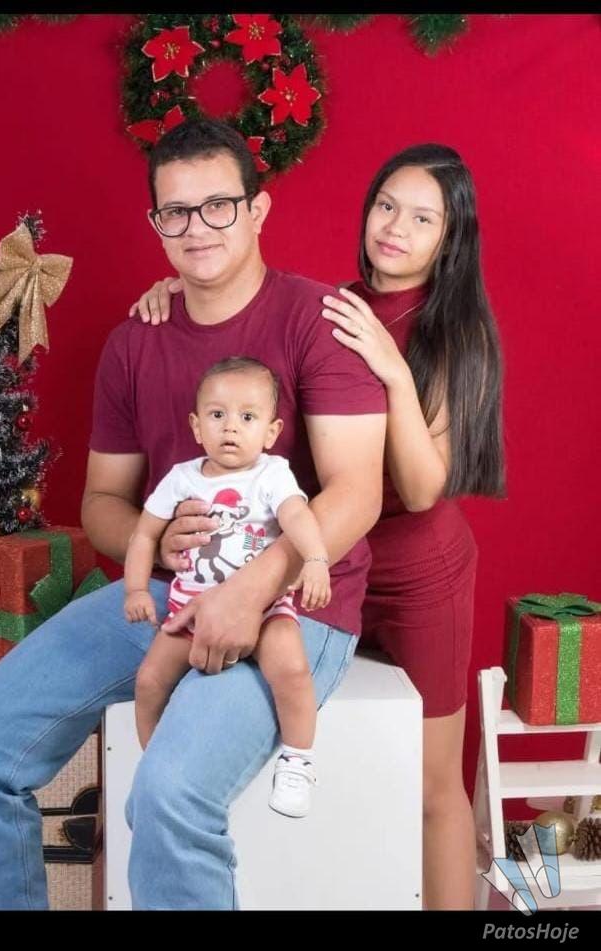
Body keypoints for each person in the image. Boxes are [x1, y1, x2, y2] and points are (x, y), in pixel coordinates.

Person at [0, 117, 387, 910]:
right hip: (170, 595)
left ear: (257, 210)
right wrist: (161, 540)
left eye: (217, 206)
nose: (195, 227)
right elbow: (102, 503)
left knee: (168, 794)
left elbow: (356, 492)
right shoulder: (133, 344)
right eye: (175, 211)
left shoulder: (316, 320)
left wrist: (248, 590)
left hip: (293, 605)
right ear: (156, 223)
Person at [129, 142, 505, 909]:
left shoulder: (454, 329)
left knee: (431, 782)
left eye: (422, 218)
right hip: (325, 560)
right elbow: (249, 377)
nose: (394, 227)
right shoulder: (329, 305)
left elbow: (421, 487)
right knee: (342, 743)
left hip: (417, 574)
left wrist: (391, 369)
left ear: (450, 237)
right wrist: (181, 289)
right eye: (385, 206)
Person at [126, 356, 331, 818]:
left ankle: (297, 761)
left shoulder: (271, 474)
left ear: (272, 432)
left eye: (248, 417)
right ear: (197, 426)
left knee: (292, 669)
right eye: (217, 415)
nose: (231, 427)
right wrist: (136, 589)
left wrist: (317, 559)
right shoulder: (182, 478)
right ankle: (152, 761)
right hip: (190, 609)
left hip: (264, 608)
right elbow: (144, 534)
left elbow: (297, 515)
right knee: (149, 681)